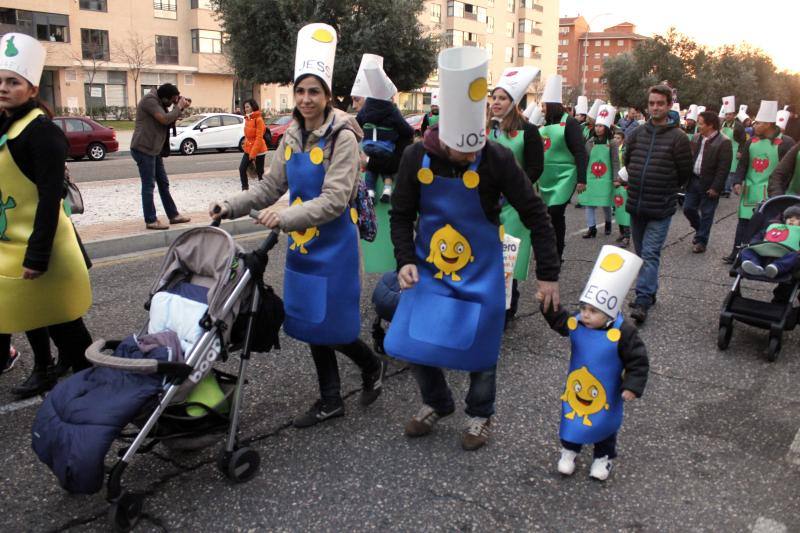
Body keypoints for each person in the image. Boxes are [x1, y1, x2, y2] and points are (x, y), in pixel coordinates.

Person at [386, 47, 560, 451]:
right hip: (430, 268)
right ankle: (437, 401)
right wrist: (405, 260)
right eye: (461, 151)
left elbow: (536, 214)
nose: (469, 157)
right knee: (412, 339)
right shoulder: (416, 156)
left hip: (482, 271)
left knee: (483, 346)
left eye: (474, 149)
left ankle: (480, 414)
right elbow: (400, 215)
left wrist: (548, 274)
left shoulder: (495, 158)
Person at [209, 23, 384, 428]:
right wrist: (230, 205)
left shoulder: (343, 138)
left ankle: (369, 365)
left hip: (335, 249)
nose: (306, 99)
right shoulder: (289, 136)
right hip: (302, 250)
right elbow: (270, 187)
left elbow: (335, 200)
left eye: (314, 91)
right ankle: (331, 398)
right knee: (308, 324)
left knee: (332, 325)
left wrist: (284, 217)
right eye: (300, 91)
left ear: (328, 96)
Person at [0, 33, 94, 393]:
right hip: (14, 241)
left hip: (46, 245)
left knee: (64, 319)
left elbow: (49, 198)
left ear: (32, 88)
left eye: (13, 82)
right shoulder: (6, 127)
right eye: (0, 81)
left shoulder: (42, 133)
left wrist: (37, 255)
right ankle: (46, 366)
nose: (5, 88)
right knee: (26, 311)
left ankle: (90, 380)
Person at [542, 246, 648, 481]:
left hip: (607, 392)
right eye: (583, 308)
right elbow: (559, 321)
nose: (585, 315)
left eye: (593, 311)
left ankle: (603, 457)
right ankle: (569, 449)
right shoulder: (578, 323)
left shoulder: (624, 332)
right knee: (571, 417)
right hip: (576, 388)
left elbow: (638, 360)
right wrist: (547, 304)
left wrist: (632, 385)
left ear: (610, 313)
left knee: (604, 425)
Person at [624, 84, 693, 324]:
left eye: (660, 103)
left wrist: (666, 188)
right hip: (637, 205)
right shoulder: (636, 134)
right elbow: (628, 158)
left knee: (651, 253)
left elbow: (684, 172)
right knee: (641, 253)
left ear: (669, 105)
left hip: (660, 207)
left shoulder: (679, 138)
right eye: (652, 103)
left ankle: (642, 299)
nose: (655, 107)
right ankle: (649, 292)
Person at [487, 66, 544, 323]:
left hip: (514, 205)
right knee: (485, 254)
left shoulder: (529, 131)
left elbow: (535, 167)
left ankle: (507, 308)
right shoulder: (484, 128)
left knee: (509, 256)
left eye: (502, 98)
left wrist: (514, 190)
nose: (496, 102)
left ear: (514, 102)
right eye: (494, 97)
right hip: (486, 201)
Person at [727, 101, 796, 264]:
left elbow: (788, 170)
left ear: (770, 124)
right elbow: (743, 164)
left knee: (766, 226)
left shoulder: (786, 142)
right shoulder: (751, 141)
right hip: (750, 188)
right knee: (743, 223)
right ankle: (736, 254)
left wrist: (783, 191)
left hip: (771, 192)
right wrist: (737, 181)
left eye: (760, 123)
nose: (755, 125)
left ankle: (762, 257)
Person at [539, 75, 588, 261]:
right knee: (546, 216)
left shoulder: (571, 123)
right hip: (546, 176)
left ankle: (557, 253)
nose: (541, 109)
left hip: (565, 176)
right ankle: (547, 250)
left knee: (556, 213)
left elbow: (579, 152)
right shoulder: (545, 125)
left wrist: (581, 178)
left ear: (551, 105)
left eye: (544, 105)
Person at [130, 82, 192, 230]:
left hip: (154, 150)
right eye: (171, 100)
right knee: (149, 185)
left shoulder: (159, 101)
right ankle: (151, 220)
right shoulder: (150, 101)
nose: (172, 103)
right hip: (144, 148)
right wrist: (179, 107)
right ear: (164, 98)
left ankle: (173, 215)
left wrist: (179, 106)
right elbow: (164, 119)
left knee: (163, 183)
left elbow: (169, 117)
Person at [356, 60, 414, 203]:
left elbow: (355, 125)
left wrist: (366, 158)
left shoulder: (365, 111)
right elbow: (408, 131)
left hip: (369, 148)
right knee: (386, 171)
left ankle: (370, 192)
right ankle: (387, 189)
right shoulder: (392, 111)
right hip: (387, 149)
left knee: (372, 171)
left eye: (356, 99)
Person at [682, 111, 732, 253]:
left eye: (701, 123)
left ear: (710, 125)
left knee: (707, 213)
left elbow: (723, 168)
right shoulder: (697, 137)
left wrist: (716, 187)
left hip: (709, 184)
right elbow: (690, 158)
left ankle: (701, 241)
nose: (699, 126)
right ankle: (700, 230)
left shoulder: (724, 142)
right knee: (688, 208)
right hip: (693, 180)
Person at [579, 105, 619, 239]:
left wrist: (615, 178)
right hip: (591, 178)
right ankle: (592, 228)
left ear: (606, 128)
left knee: (606, 203)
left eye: (601, 126)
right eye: (596, 126)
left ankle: (608, 223)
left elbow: (615, 161)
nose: (598, 128)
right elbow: (585, 161)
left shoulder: (612, 143)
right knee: (589, 203)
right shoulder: (590, 142)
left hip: (606, 178)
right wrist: (582, 178)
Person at [740, 205, 800, 278]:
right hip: (765, 250)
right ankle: (753, 264)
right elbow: (759, 236)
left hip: (785, 253)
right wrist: (753, 244)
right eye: (789, 217)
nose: (792, 220)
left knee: (794, 256)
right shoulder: (774, 226)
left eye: (797, 218)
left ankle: (776, 267)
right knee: (747, 250)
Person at [238, 98, 267, 191]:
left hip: (259, 150)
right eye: (245, 107)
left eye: (247, 107)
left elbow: (259, 138)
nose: (246, 109)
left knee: (260, 172)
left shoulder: (258, 120)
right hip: (248, 149)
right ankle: (245, 189)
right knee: (242, 169)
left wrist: (253, 153)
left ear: (253, 107)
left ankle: (264, 191)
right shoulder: (247, 119)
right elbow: (248, 136)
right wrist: (245, 145)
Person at [720, 96, 747, 197]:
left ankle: (727, 190)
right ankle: (723, 188)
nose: (727, 116)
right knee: (723, 169)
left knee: (731, 171)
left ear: (734, 115)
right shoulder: (722, 124)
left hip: (734, 150)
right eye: (726, 114)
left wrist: (740, 151)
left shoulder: (739, 126)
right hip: (723, 150)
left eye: (730, 114)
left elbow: (743, 140)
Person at [612, 130, 631, 247]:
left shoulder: (626, 150)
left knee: (625, 211)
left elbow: (628, 165)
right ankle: (621, 233)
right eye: (614, 137)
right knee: (618, 208)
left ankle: (627, 236)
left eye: (618, 138)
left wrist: (622, 180)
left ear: (623, 140)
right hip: (616, 180)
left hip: (625, 179)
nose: (616, 140)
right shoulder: (612, 148)